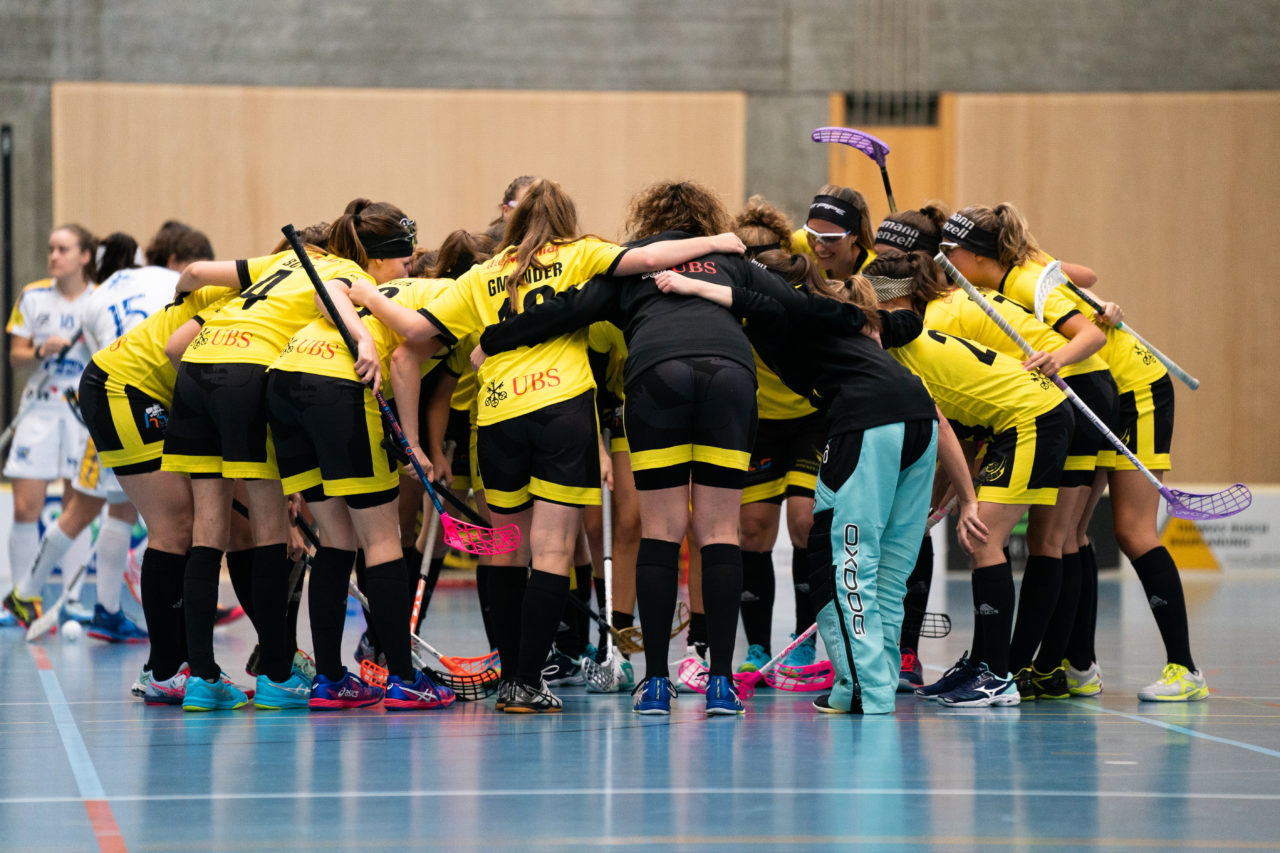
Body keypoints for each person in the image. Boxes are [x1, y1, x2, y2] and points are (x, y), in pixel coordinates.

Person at [389, 177, 747, 714]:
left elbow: (415, 333)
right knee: (555, 548)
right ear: (566, 218)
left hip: (499, 413)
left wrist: (364, 297)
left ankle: (508, 674)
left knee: (507, 546)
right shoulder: (581, 253)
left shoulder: (486, 273)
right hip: (561, 408)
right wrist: (716, 242)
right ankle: (528, 683)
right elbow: (650, 255)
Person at [652, 254, 979, 715]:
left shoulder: (797, 310)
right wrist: (870, 317)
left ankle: (864, 688)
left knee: (842, 560)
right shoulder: (845, 318)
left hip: (868, 424)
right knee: (886, 572)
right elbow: (907, 321)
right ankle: (866, 685)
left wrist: (694, 285)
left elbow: (753, 298)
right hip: (917, 424)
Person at [943, 203, 1206, 701]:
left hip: (1134, 389)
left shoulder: (1020, 282)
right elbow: (1083, 273)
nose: (946, 264)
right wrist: (1090, 299)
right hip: (1095, 389)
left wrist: (1065, 346)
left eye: (951, 253)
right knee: (1072, 533)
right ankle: (1072, 664)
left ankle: (1184, 668)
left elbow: (1083, 328)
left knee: (1129, 529)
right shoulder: (1018, 269)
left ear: (977, 256)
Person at [161, 199, 413, 712]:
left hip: (197, 366)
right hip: (247, 375)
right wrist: (363, 338)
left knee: (207, 531)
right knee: (269, 530)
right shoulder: (341, 270)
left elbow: (189, 281)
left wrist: (177, 297)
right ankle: (277, 674)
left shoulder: (280, 262)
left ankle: (203, 678)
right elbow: (330, 303)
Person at [266, 246, 456, 712]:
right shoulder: (457, 297)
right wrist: (411, 445)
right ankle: (405, 681)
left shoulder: (393, 289)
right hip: (339, 384)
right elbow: (404, 362)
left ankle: (330, 680)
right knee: (383, 540)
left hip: (286, 380)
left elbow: (325, 295)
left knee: (334, 540)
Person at [732, 195, 822, 672]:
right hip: (759, 427)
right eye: (745, 257)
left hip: (810, 423)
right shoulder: (727, 297)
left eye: (763, 254)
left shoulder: (802, 292)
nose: (754, 265)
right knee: (751, 532)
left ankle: (804, 641)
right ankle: (757, 649)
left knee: (805, 524)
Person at [3, 225, 98, 627]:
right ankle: (26, 598)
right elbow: (15, 355)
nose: (54, 256)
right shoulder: (33, 296)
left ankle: (74, 599)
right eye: (51, 248)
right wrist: (41, 349)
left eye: (63, 249)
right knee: (26, 508)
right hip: (40, 412)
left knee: (77, 507)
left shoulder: (100, 299)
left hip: (82, 414)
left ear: (86, 256)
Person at [792, 185, 876, 280]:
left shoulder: (874, 273)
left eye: (830, 238)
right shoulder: (798, 243)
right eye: (812, 235)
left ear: (854, 235)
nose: (819, 248)